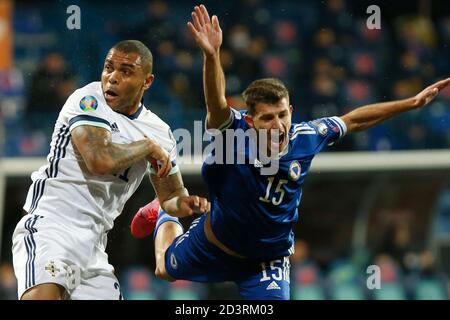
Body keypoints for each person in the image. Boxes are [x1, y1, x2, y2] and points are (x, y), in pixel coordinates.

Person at [131, 5, 450, 300]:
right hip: (213, 245)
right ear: (252, 120)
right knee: (163, 270)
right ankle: (165, 210)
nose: (278, 125)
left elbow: (354, 119)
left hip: (266, 261)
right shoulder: (234, 133)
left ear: (291, 111)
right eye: (268, 118)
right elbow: (216, 104)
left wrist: (410, 104)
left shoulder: (306, 136)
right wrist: (212, 55)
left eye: (283, 115)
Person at [11, 40, 209, 300]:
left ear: (147, 82)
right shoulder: (89, 99)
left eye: (125, 71)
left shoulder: (161, 132)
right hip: (52, 227)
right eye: (108, 68)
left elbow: (170, 198)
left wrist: (189, 203)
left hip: (94, 247)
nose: (112, 78)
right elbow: (99, 159)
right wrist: (147, 147)